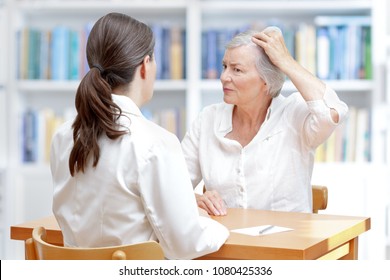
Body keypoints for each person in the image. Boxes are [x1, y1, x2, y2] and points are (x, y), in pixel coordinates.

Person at [50, 12, 229, 260]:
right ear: (145, 66)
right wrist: (216, 226)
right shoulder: (155, 142)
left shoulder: (62, 136)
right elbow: (186, 243)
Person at [181, 27, 348, 215]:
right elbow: (171, 185)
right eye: (224, 66)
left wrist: (286, 61)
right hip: (227, 240)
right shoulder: (208, 120)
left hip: (287, 241)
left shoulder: (293, 114)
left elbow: (332, 113)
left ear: (266, 81)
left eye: (236, 69)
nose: (223, 77)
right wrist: (198, 199)